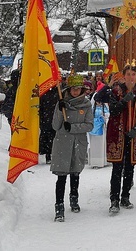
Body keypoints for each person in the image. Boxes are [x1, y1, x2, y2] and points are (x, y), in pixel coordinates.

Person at [94, 62, 136, 215]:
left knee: (130, 167)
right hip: (118, 133)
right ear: (124, 76)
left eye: (133, 74)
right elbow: (113, 111)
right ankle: (114, 199)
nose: (131, 77)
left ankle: (125, 196)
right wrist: (124, 100)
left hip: (133, 134)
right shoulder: (116, 91)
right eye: (128, 74)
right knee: (117, 168)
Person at [50, 74, 93, 222]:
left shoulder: (86, 105)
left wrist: (73, 127)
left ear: (82, 89)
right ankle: (59, 206)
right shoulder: (61, 103)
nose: (75, 92)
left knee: (75, 173)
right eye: (73, 89)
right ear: (69, 89)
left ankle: (74, 198)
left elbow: (89, 125)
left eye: (78, 89)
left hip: (78, 143)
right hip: (62, 143)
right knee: (61, 176)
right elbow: (55, 126)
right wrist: (59, 111)